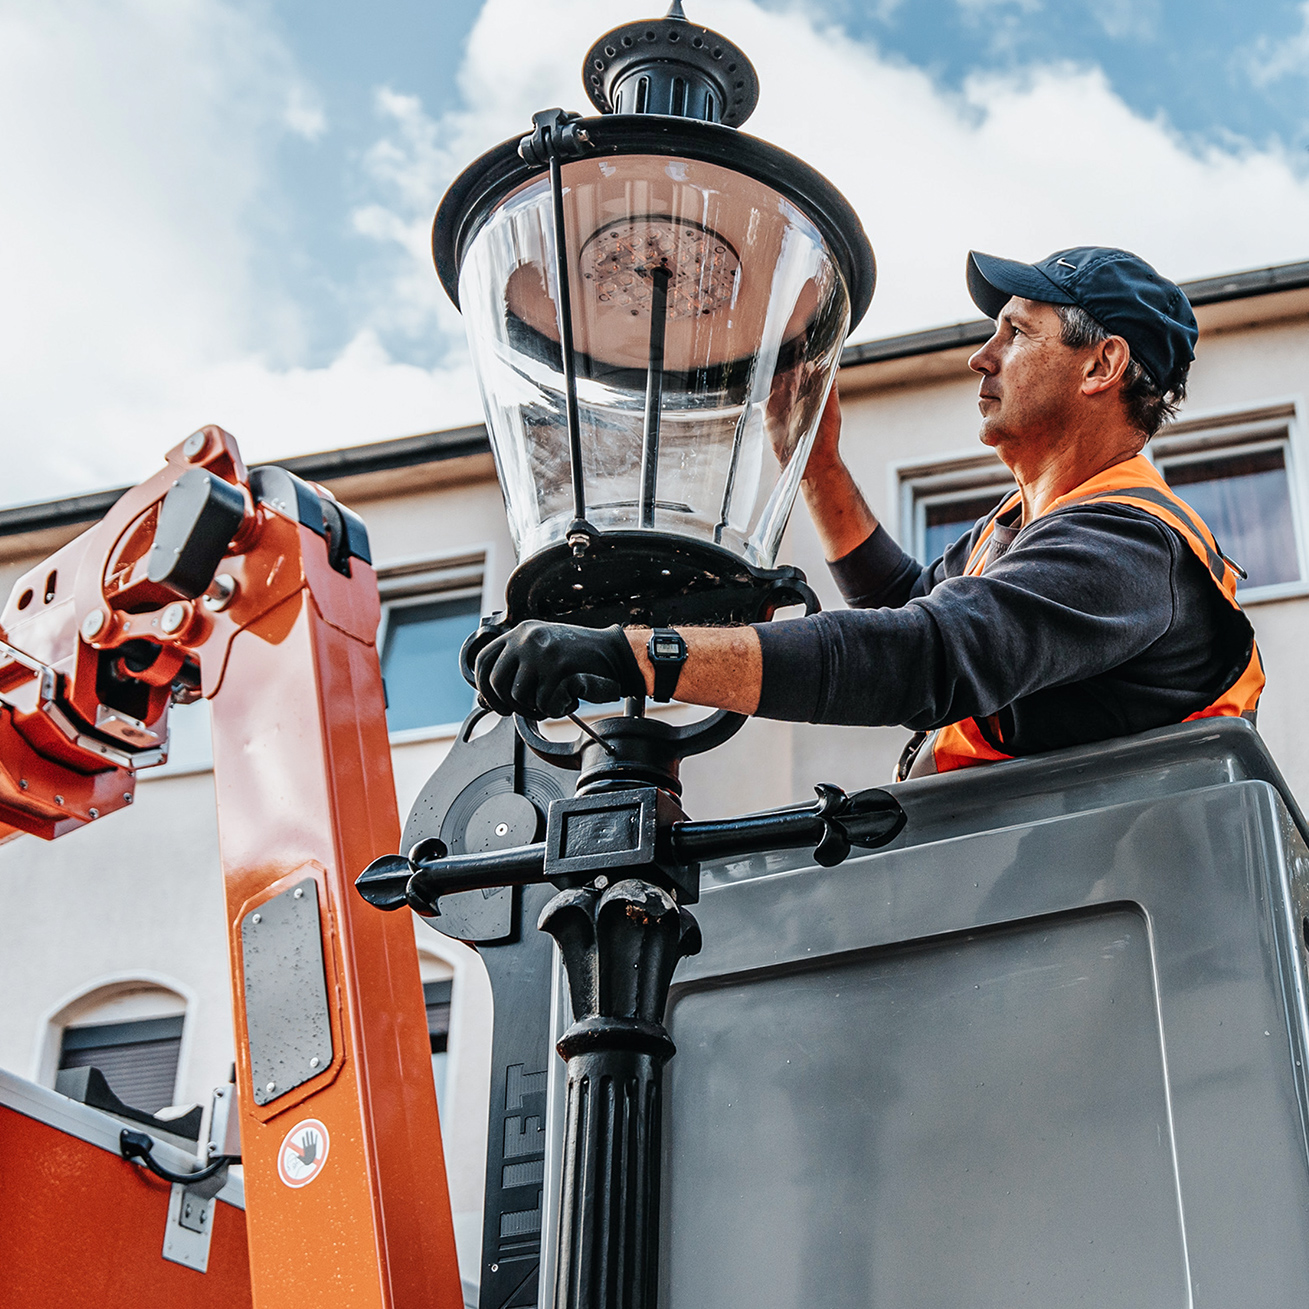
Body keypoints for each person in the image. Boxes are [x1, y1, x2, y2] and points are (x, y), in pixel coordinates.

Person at [474, 246, 1264, 776]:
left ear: (1101, 365)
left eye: (1016, 333)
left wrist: (636, 654)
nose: (980, 357)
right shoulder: (1024, 527)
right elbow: (910, 604)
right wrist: (816, 464)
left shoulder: (1128, 545)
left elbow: (926, 655)